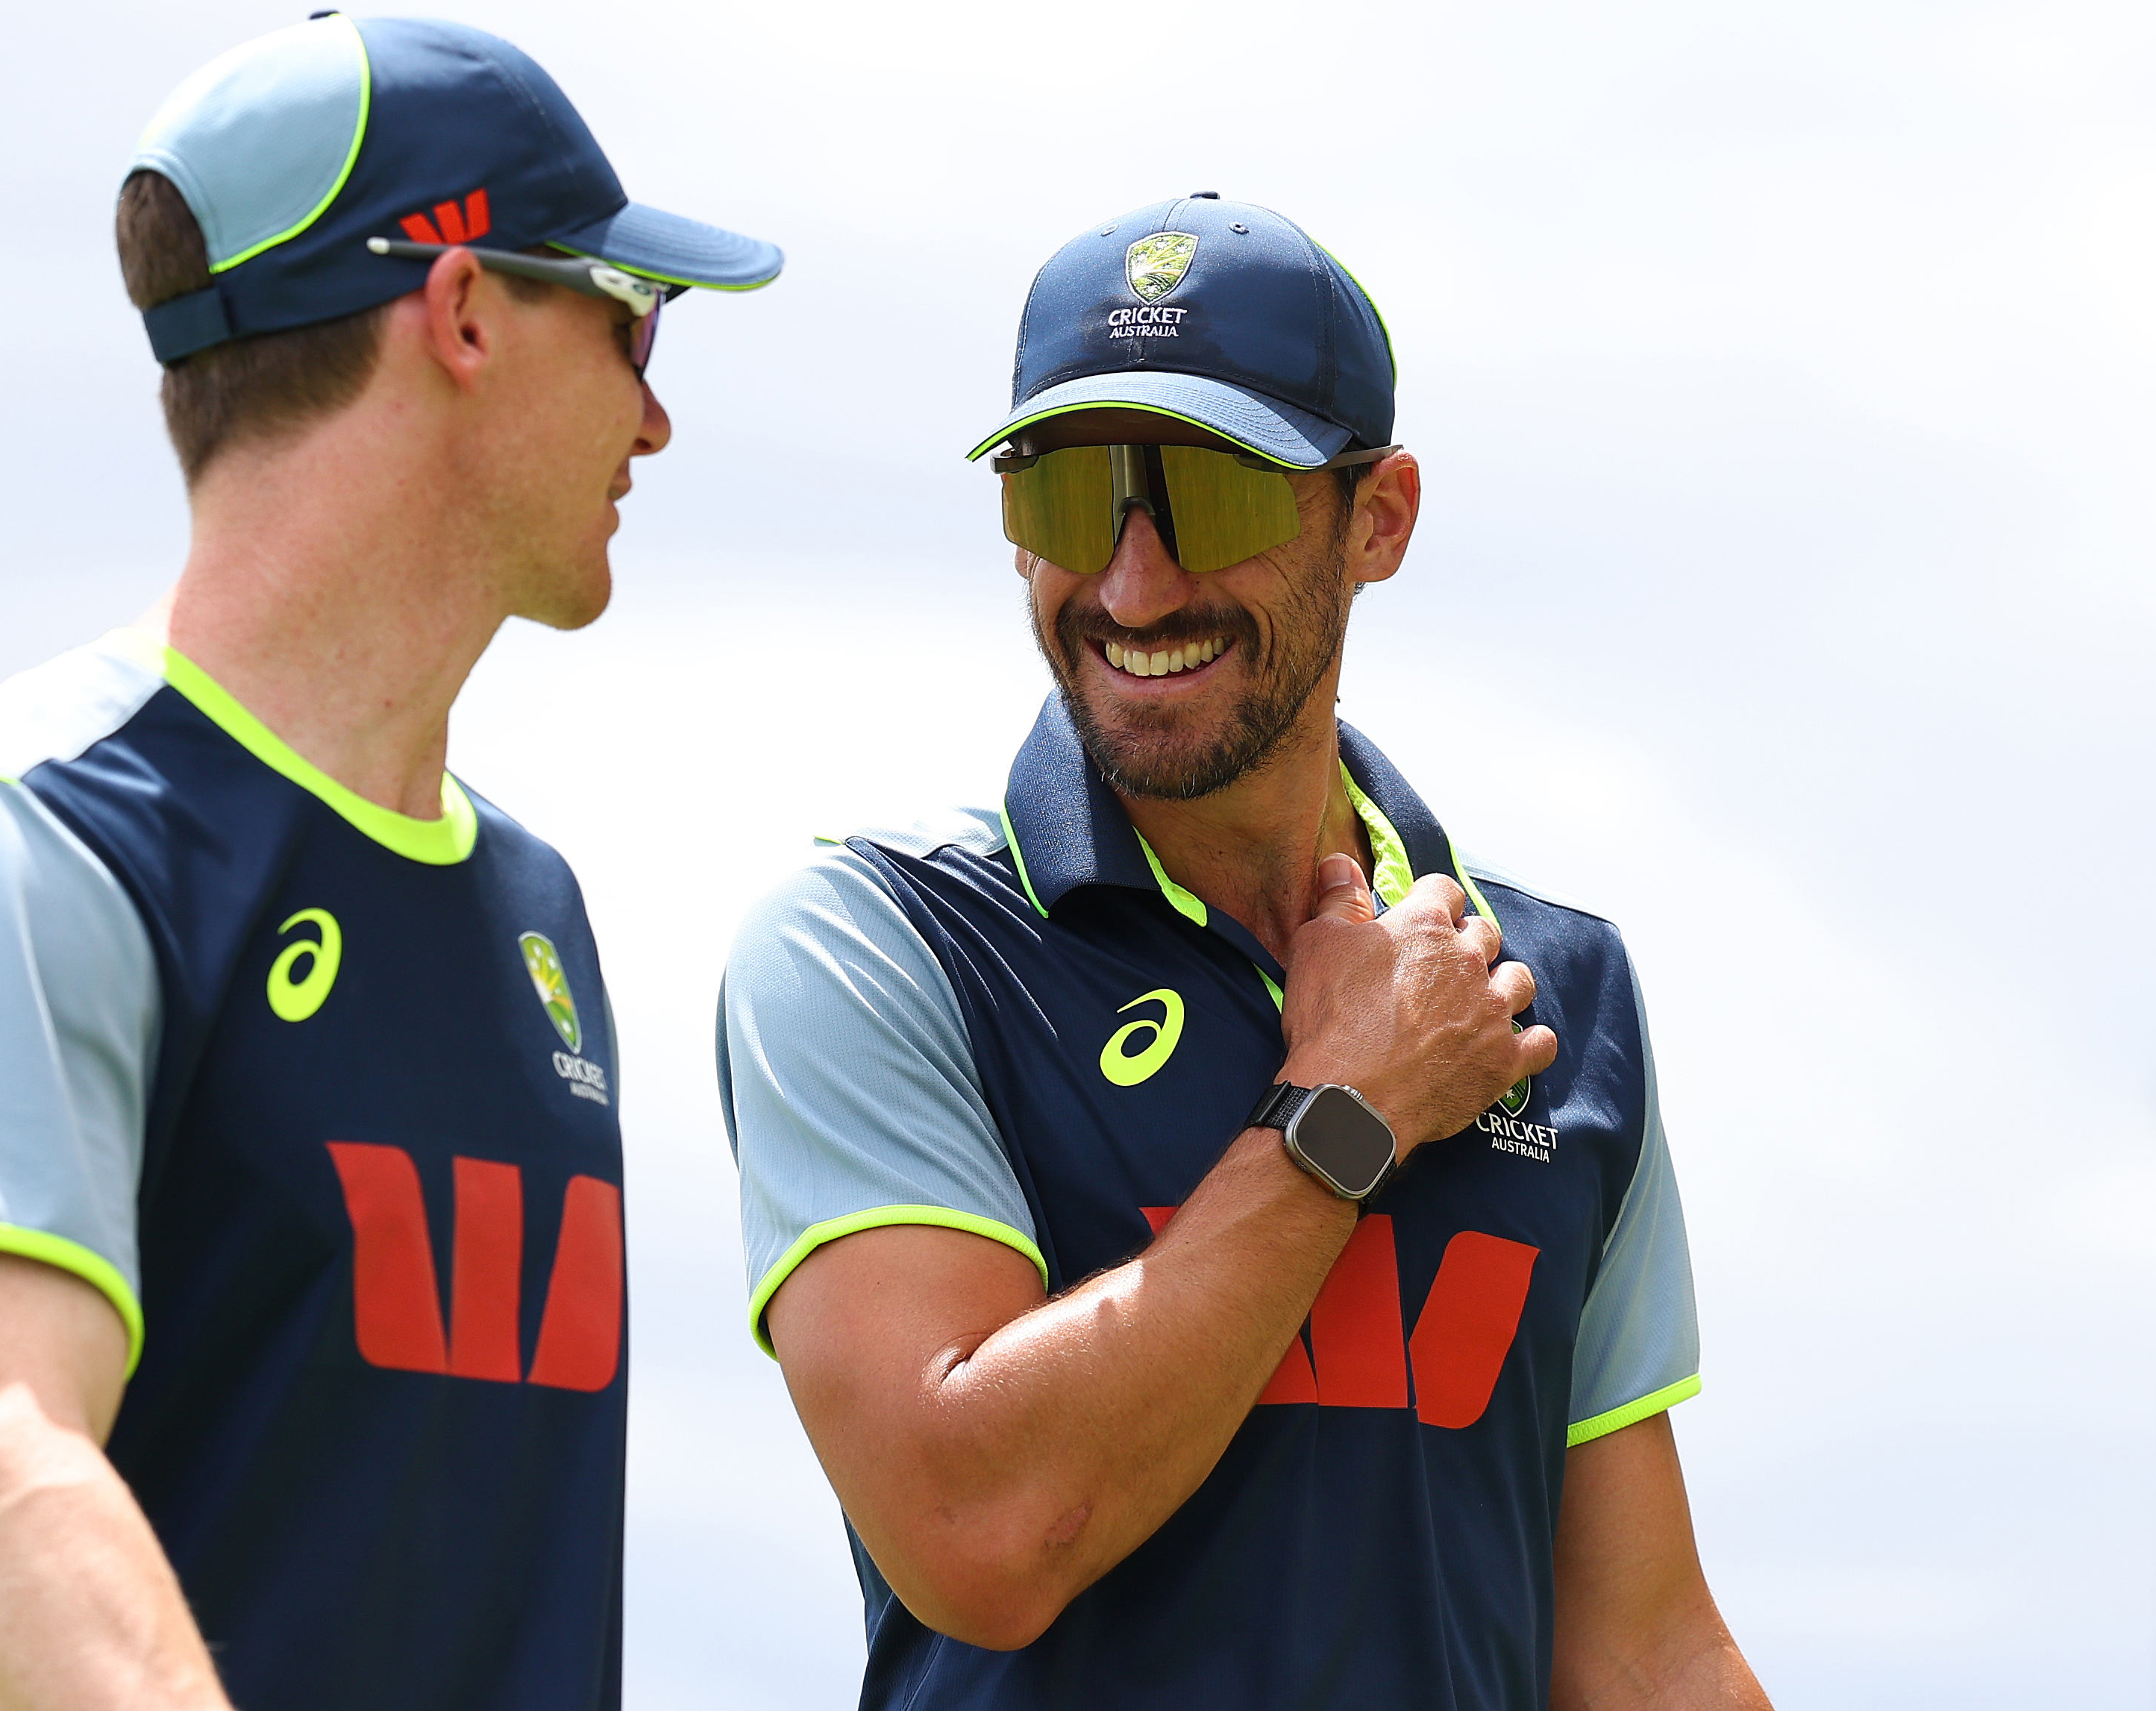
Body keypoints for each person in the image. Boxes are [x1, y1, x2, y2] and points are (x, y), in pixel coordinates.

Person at [0, 17, 778, 1710]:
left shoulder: (535, 913)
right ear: (460, 315)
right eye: (625, 321)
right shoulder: (40, 841)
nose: (655, 416)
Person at [718, 193, 1767, 1709]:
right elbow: (980, 1531)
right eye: (1071, 505)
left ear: (1378, 518)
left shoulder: (1550, 992)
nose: (1134, 587)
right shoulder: (880, 948)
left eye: (1209, 502)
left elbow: (1638, 1645)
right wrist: (1345, 1110)